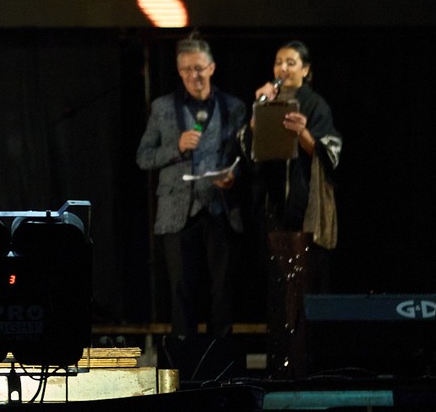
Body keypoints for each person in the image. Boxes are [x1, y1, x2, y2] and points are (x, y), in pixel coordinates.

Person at [135, 36, 245, 368]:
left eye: (198, 69)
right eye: (185, 71)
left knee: (221, 290)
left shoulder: (234, 108)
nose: (192, 77)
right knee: (182, 290)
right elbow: (143, 157)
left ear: (211, 68)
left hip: (218, 208)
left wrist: (234, 177)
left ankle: (220, 364)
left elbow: (246, 156)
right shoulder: (163, 108)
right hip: (177, 212)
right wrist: (177, 147)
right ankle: (183, 367)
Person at [245, 40, 341, 377]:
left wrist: (303, 133)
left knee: (301, 288)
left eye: (290, 62)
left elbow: (330, 154)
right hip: (274, 205)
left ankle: (302, 366)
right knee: (279, 287)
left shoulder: (316, 105)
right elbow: (246, 147)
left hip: (304, 209)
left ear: (306, 69)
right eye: (278, 62)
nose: (282, 69)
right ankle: (279, 364)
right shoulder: (269, 102)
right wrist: (258, 116)